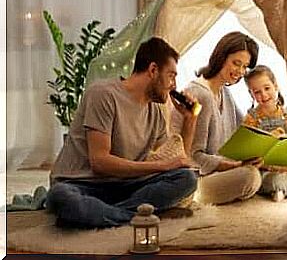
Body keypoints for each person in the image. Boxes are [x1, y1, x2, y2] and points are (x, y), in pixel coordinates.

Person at [46, 37, 198, 228]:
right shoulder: (103, 94)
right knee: (62, 198)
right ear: (153, 70)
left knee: (186, 179)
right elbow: (100, 162)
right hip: (82, 184)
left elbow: (176, 158)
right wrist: (162, 166)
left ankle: (107, 215)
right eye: (171, 75)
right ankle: (133, 215)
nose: (173, 85)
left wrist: (190, 120)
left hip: (124, 186)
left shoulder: (157, 110)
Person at [170, 31, 262, 205]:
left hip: (217, 172)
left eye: (245, 67)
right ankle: (191, 199)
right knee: (249, 177)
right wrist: (233, 166)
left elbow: (244, 130)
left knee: (257, 173)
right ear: (221, 57)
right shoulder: (200, 93)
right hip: (194, 177)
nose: (240, 72)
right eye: (236, 63)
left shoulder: (223, 91)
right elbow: (194, 156)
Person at [243, 65, 287, 202]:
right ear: (252, 94)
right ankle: (281, 189)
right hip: (265, 172)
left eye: (267, 88)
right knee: (272, 181)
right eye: (257, 92)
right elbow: (248, 152)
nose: (263, 95)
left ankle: (284, 189)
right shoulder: (251, 119)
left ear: (276, 86)